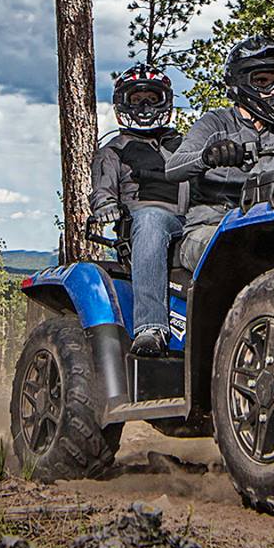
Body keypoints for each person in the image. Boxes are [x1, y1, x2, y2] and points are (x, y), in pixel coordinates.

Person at [165, 34, 274, 271]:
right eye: (262, 81)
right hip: (210, 227)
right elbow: (173, 168)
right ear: (240, 81)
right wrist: (208, 157)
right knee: (237, 255)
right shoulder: (215, 123)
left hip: (269, 229)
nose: (272, 91)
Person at [89, 64, 189, 357]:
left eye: (152, 98)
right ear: (123, 103)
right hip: (145, 220)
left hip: (193, 220)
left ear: (165, 101)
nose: (145, 107)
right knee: (151, 218)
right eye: (136, 99)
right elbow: (102, 191)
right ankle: (151, 327)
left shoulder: (184, 145)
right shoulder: (113, 150)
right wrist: (106, 206)